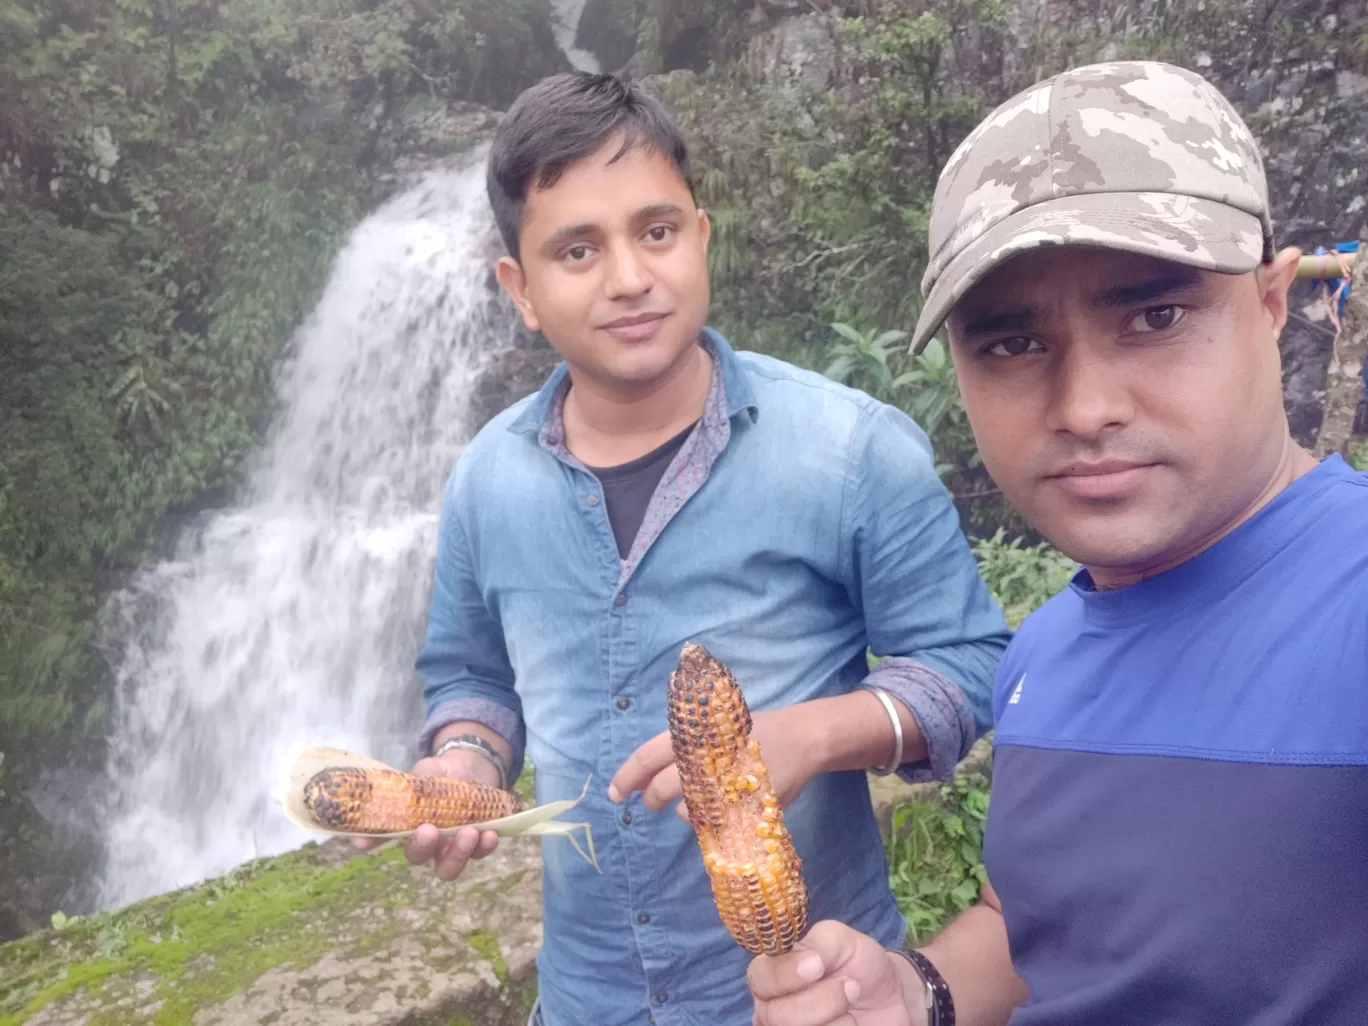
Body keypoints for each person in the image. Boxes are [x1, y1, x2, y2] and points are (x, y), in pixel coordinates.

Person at [355, 72, 1012, 1026]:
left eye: (655, 231)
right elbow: (474, 677)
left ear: (701, 239)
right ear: (521, 291)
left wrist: (813, 734)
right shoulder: (485, 482)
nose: (629, 277)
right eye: (576, 250)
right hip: (584, 1002)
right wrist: (464, 762)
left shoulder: (852, 451)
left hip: (817, 997)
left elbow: (973, 666)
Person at [746, 59, 1368, 1026]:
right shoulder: (1042, 654)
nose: (1083, 408)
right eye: (1012, 345)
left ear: (1273, 300)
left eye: (1156, 315)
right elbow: (1037, 919)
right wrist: (918, 992)